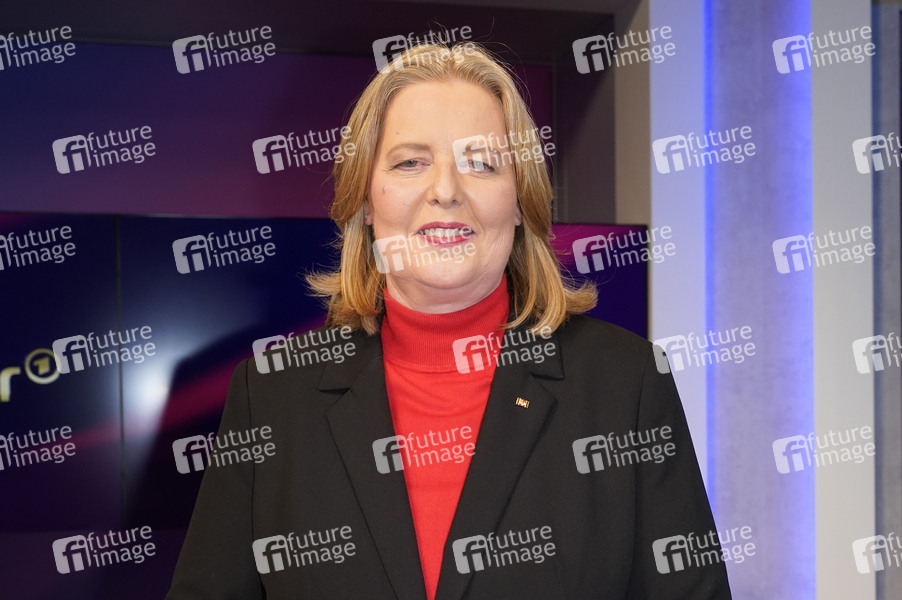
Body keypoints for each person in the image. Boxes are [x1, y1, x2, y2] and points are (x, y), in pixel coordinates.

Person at [166, 42, 732, 599]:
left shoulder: (627, 384)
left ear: (520, 201)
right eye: (410, 162)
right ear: (366, 201)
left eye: (480, 163)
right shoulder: (269, 395)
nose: (445, 191)